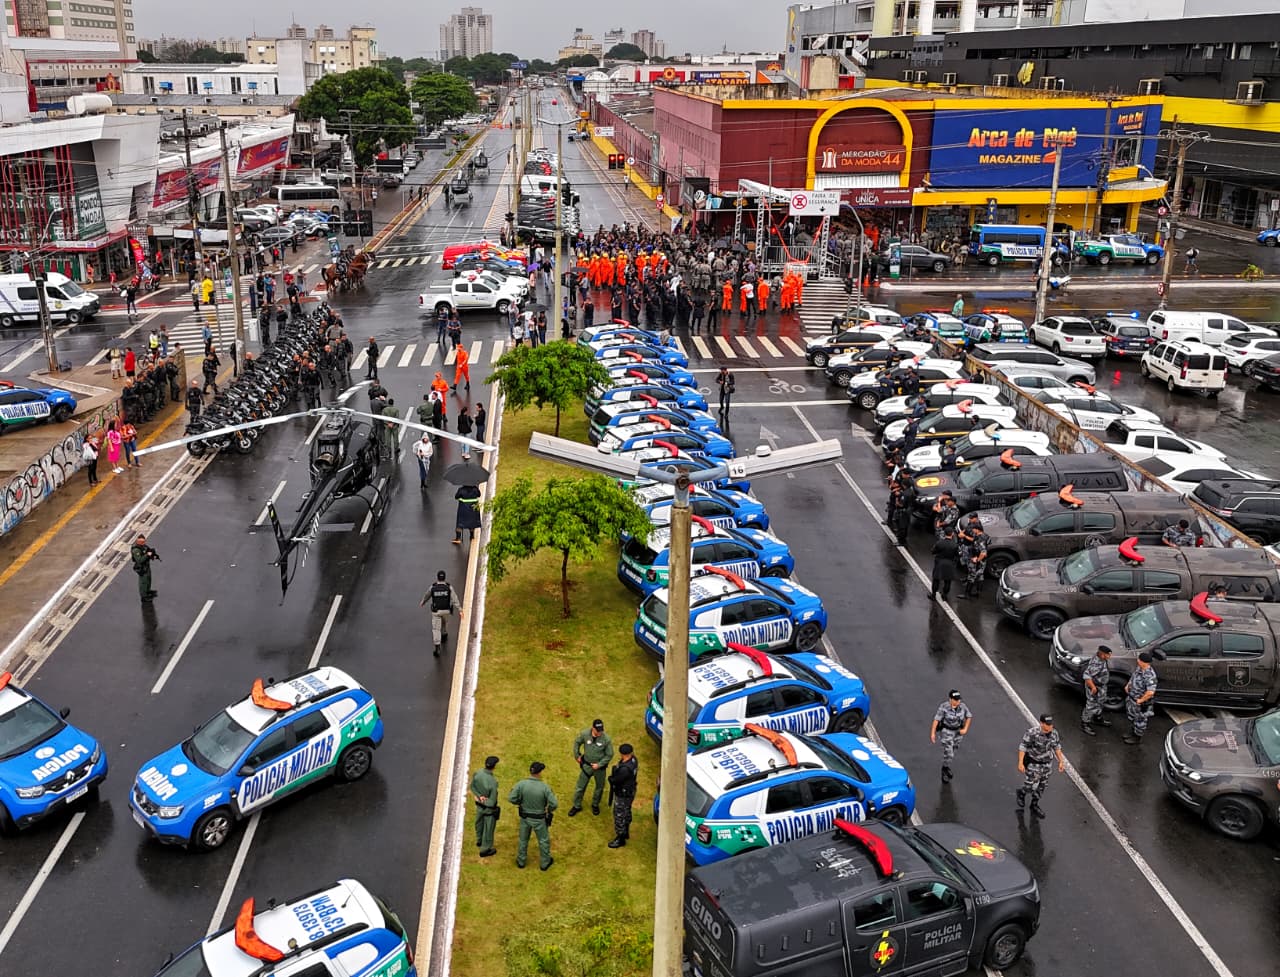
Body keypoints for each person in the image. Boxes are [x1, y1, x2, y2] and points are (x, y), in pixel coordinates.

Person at [509, 761, 557, 871]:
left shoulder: (521, 784)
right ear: (539, 772)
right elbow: (554, 804)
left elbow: (511, 798)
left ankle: (521, 861)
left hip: (525, 818)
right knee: (543, 841)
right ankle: (545, 863)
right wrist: (549, 810)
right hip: (539, 819)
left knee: (523, 840)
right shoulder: (544, 787)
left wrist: (519, 803)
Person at [1017, 714, 1065, 819]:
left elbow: (1056, 746)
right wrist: (1020, 762)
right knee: (1030, 785)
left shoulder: (1054, 733)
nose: (1050, 726)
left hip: (1047, 764)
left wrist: (1061, 761)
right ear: (1042, 723)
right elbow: (1023, 746)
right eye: (1048, 724)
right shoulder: (1032, 733)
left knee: (1042, 786)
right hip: (1034, 763)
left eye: (1051, 724)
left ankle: (1034, 805)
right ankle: (1022, 793)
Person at [569, 719, 615, 817]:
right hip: (586, 766)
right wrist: (577, 755)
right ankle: (577, 805)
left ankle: (595, 804)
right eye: (598, 730)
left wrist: (599, 764)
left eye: (601, 730)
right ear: (593, 728)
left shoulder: (606, 739)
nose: (600, 732)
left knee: (599, 787)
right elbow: (577, 742)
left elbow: (609, 754)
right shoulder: (585, 734)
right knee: (580, 787)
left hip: (599, 769)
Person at [930, 691, 972, 783]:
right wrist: (933, 733)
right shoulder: (944, 707)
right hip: (947, 731)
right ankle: (944, 770)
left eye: (959, 700)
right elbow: (936, 720)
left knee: (954, 749)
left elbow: (969, 716)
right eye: (956, 700)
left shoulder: (962, 707)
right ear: (951, 699)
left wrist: (965, 729)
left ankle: (947, 765)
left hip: (958, 732)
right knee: (949, 753)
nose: (958, 702)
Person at [421, 569, 461, 657]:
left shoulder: (433, 587)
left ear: (437, 578)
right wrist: (460, 609)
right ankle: (444, 634)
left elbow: (427, 595)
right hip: (446, 610)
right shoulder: (449, 587)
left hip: (436, 612)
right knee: (445, 623)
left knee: (436, 629)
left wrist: (423, 602)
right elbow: (454, 599)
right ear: (445, 578)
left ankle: (437, 647)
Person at [607, 743, 638, 848]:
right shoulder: (634, 760)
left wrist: (611, 779)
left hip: (623, 794)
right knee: (627, 811)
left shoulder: (624, 769)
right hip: (631, 791)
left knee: (619, 815)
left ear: (622, 754)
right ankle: (626, 831)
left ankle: (620, 838)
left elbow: (616, 780)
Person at [1124, 652, 1158, 745]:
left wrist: (1141, 700)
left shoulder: (1150, 675)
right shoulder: (1140, 668)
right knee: (1132, 717)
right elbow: (1133, 677)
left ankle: (1137, 737)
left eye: (1139, 659)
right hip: (1132, 699)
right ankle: (1132, 732)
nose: (1137, 660)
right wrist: (1128, 685)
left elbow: (1150, 692)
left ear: (1144, 662)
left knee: (1140, 720)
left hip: (1140, 703)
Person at [471, 755, 500, 857]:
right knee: (488, 828)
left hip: (479, 806)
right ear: (494, 766)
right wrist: (484, 801)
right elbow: (492, 802)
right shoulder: (493, 782)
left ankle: (479, 840)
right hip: (488, 809)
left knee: (479, 823)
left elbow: (472, 787)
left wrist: (479, 797)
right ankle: (485, 849)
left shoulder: (477, 773)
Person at [1080, 645, 1113, 736]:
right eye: (1108, 654)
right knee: (1091, 705)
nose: (1110, 656)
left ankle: (1097, 718)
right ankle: (1085, 723)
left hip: (1101, 687)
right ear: (1102, 655)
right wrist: (1093, 687)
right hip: (1095, 687)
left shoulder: (1102, 660)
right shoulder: (1096, 664)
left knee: (1100, 702)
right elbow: (1086, 676)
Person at [931, 527, 960, 600]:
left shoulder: (940, 542)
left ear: (944, 533)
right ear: (952, 534)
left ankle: (933, 595)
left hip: (940, 562)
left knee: (936, 580)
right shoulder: (955, 545)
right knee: (947, 581)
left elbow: (933, 551)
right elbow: (958, 555)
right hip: (950, 563)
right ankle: (944, 595)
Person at [130, 533, 159, 602]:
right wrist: (147, 555)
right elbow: (139, 560)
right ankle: (144, 596)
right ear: (138, 541)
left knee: (148, 579)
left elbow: (148, 550)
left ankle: (148, 591)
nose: (143, 543)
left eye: (144, 541)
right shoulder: (136, 550)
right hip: (141, 567)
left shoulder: (143, 546)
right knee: (143, 582)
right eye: (142, 542)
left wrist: (153, 555)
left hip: (146, 566)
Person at [454, 480, 482, 545]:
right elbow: (479, 495)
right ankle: (472, 536)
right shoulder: (475, 489)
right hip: (473, 508)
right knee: (472, 522)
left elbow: (456, 497)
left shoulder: (461, 489)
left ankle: (458, 538)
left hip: (463, 508)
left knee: (460, 523)